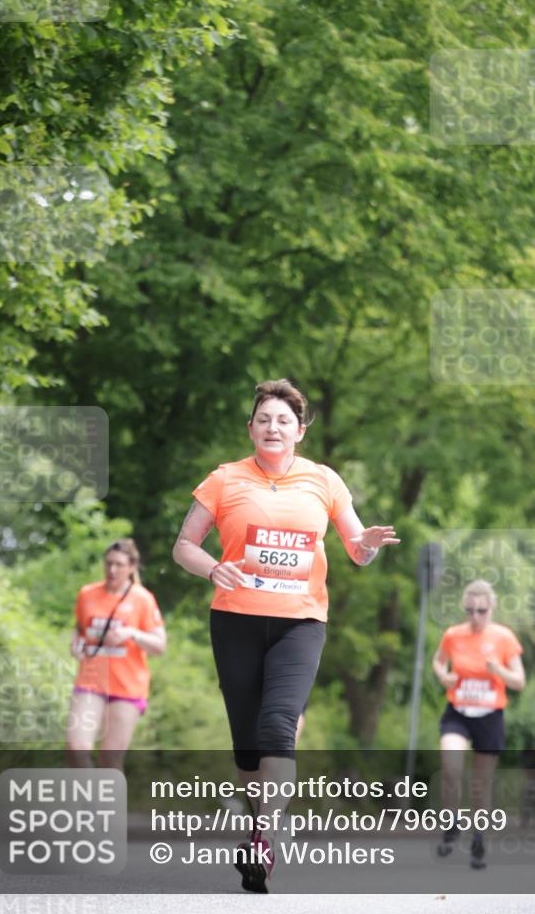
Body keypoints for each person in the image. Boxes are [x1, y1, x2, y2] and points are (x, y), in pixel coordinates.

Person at [173, 378, 400, 892]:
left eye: (283, 421)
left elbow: (358, 552)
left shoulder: (323, 481)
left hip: (300, 624)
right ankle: (259, 816)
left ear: (299, 431)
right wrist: (213, 569)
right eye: (263, 419)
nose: (273, 427)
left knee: (279, 726)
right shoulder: (225, 480)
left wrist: (367, 543)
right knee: (248, 749)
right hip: (235, 621)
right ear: (251, 429)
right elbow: (184, 545)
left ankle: (263, 839)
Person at [432, 579, 525, 869]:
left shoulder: (504, 638)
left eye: (481, 610)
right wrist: (443, 675)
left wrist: (499, 670)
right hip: (458, 711)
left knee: (480, 785)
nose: (475, 616)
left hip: (489, 716)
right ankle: (452, 822)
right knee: (451, 766)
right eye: (470, 610)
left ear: (492, 608)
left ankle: (478, 838)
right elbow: (438, 661)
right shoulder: (453, 635)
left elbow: (520, 681)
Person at [66, 539, 166, 769]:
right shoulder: (87, 594)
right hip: (91, 681)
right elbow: (80, 630)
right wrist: (76, 646)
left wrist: (132, 633)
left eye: (119, 565)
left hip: (127, 686)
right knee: (76, 747)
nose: (112, 570)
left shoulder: (143, 599)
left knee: (109, 759)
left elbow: (159, 645)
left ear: (131, 567)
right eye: (108, 563)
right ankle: (91, 802)